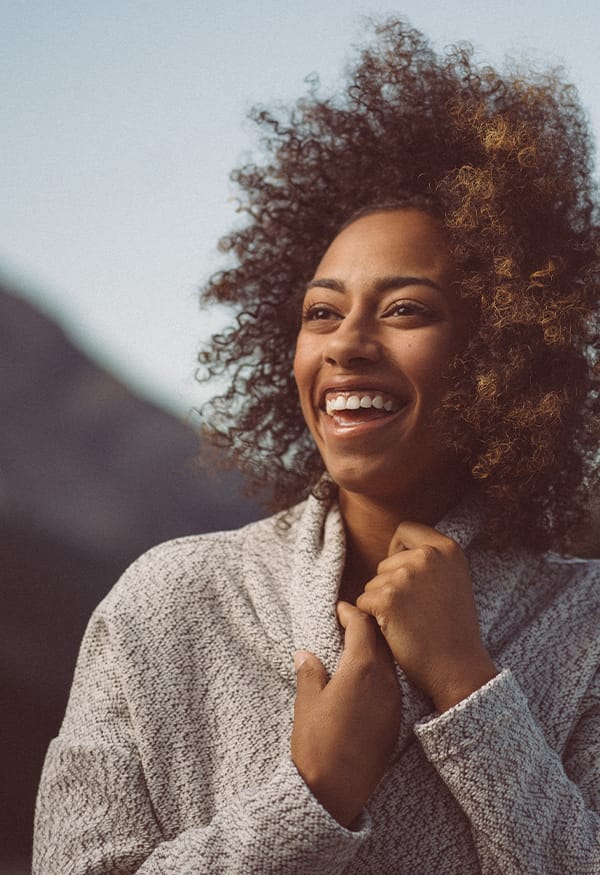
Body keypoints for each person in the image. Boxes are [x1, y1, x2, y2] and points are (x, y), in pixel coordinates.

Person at [33, 18, 600, 873]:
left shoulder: (586, 627)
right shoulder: (164, 607)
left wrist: (468, 685)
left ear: (504, 352)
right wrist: (313, 792)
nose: (346, 344)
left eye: (405, 309)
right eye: (321, 312)